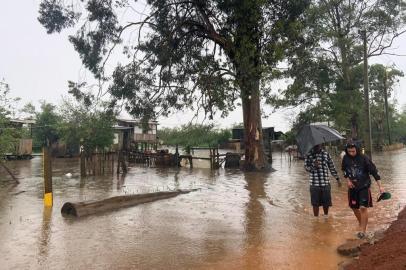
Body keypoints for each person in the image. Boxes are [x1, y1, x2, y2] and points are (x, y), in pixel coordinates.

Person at [341, 142, 384, 239]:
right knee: (354, 207)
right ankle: (362, 224)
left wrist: (380, 187)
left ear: (357, 149)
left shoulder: (364, 158)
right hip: (352, 187)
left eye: (353, 151)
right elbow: (344, 170)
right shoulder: (345, 158)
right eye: (349, 151)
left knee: (363, 208)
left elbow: (374, 172)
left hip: (364, 186)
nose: (351, 153)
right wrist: (347, 180)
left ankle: (363, 231)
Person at [304, 144, 341, 217]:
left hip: (326, 183)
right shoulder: (309, 155)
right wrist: (314, 166)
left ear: (320, 145)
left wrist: (337, 179)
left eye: (318, 145)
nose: (317, 147)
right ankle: (316, 219)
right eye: (315, 146)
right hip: (314, 184)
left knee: (326, 203)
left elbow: (332, 167)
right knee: (315, 203)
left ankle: (326, 217)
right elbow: (306, 167)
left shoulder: (326, 154)